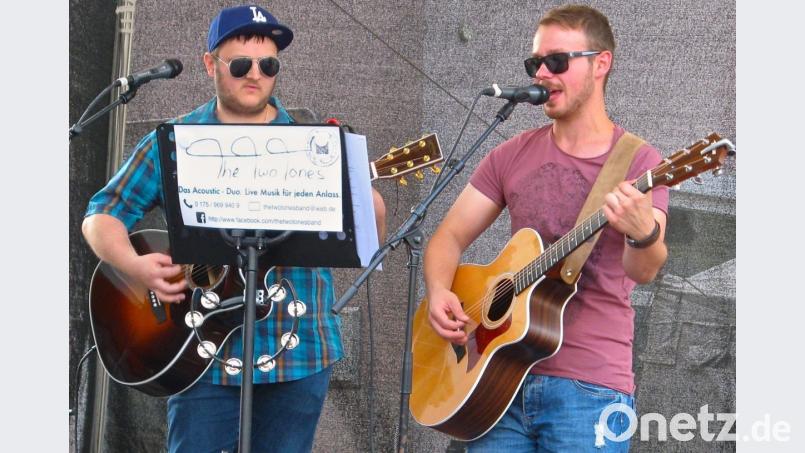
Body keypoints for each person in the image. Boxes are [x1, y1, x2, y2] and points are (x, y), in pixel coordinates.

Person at [82, 5, 386, 453]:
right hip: (202, 351)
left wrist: (368, 200)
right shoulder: (177, 140)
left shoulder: (314, 147)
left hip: (299, 349)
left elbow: (367, 245)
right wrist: (134, 265)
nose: (255, 75)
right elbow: (102, 214)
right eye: (241, 64)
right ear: (211, 64)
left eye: (269, 66)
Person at [423, 4, 668, 452]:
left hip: (589, 388)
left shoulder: (639, 161)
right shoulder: (509, 154)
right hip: (496, 380)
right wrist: (439, 290)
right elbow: (448, 237)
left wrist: (642, 232)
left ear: (601, 63)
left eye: (556, 61)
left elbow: (645, 270)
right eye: (535, 63)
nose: (541, 73)